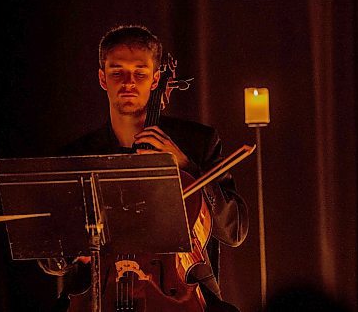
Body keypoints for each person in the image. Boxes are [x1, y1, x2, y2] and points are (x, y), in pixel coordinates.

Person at [47, 25, 248, 312]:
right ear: (103, 78)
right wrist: (72, 253)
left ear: (155, 80)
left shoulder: (197, 143)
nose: (128, 82)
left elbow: (234, 231)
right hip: (98, 297)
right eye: (117, 72)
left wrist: (186, 165)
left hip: (179, 296)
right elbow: (49, 256)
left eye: (140, 73)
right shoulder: (78, 155)